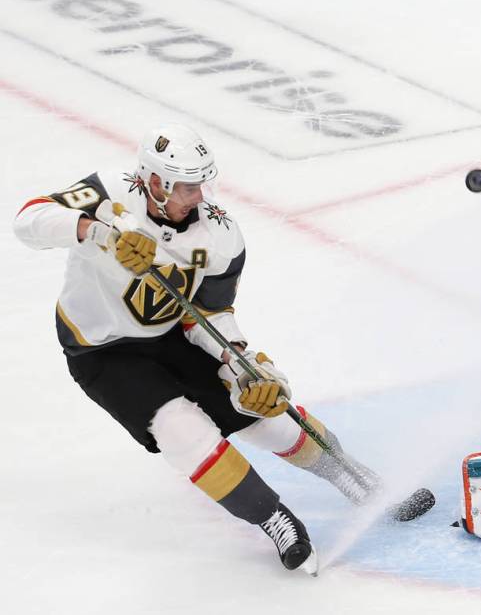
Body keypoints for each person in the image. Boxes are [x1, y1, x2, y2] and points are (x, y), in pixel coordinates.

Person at [13, 123, 380, 574]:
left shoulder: (222, 235)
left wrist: (238, 362)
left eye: (203, 183)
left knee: (261, 414)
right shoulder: (109, 193)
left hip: (174, 334)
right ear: (154, 182)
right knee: (180, 430)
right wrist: (98, 233)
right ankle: (274, 519)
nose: (200, 197)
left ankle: (349, 475)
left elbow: (211, 313)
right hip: (103, 351)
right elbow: (28, 220)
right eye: (188, 186)